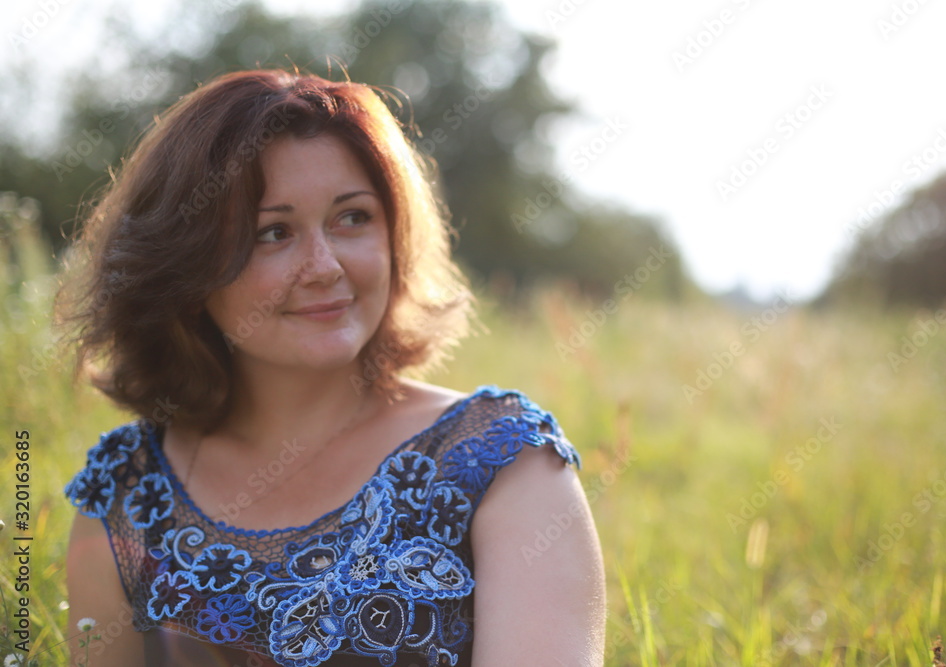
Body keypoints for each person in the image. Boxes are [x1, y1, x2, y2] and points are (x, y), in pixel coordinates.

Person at [58, 68, 606, 666]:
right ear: (185, 265)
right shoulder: (127, 494)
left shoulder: (503, 461)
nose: (323, 266)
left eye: (353, 218)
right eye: (273, 232)